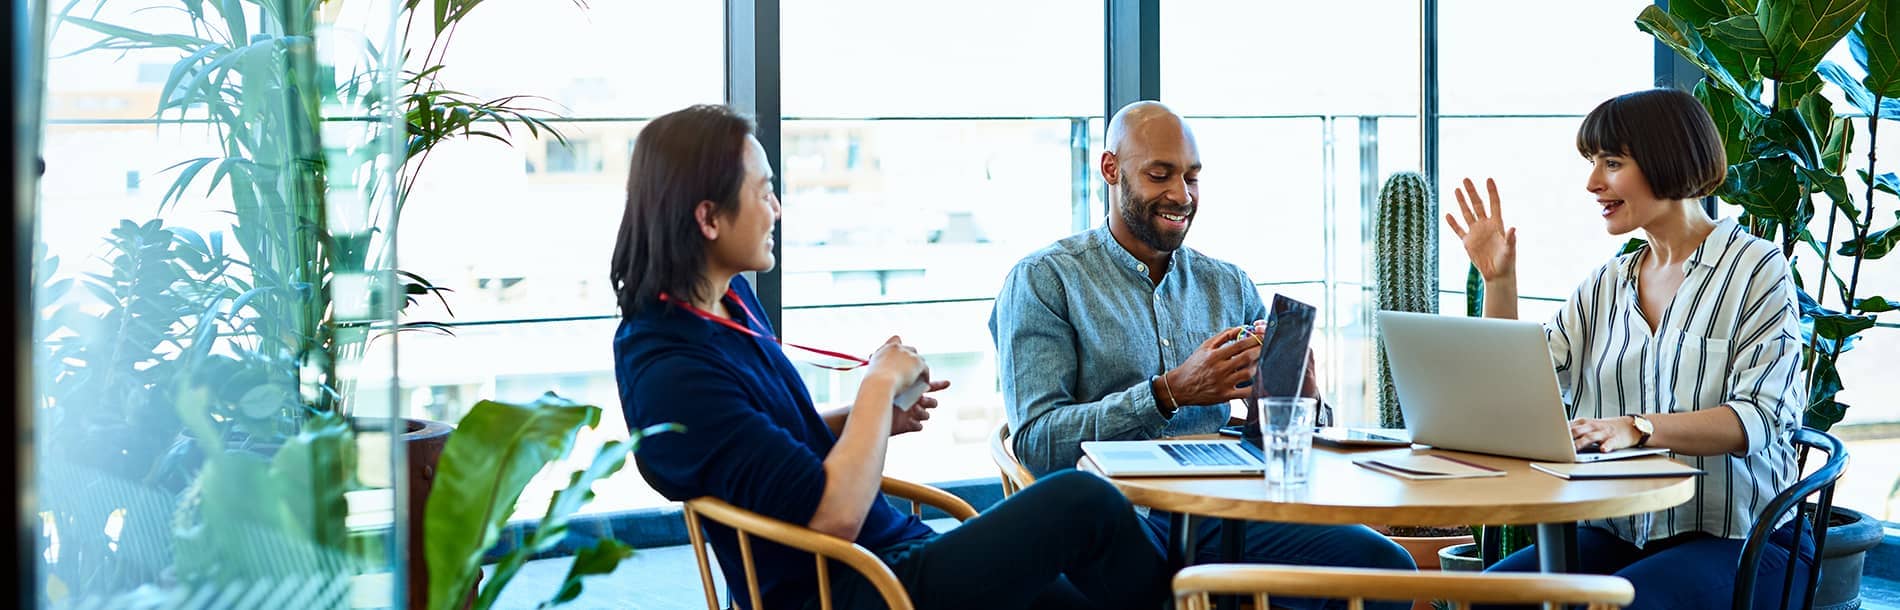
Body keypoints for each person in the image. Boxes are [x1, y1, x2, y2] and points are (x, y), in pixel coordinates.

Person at [613, 104, 1169, 610]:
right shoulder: (669, 367)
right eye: (763, 193)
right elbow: (833, 517)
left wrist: (872, 420)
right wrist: (877, 388)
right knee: (1080, 500)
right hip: (850, 588)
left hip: (888, 557)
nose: (777, 209)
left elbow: (773, 443)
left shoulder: (728, 305)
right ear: (709, 218)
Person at [989, 100, 1415, 610]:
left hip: (1229, 511)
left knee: (1387, 571)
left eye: (1192, 177)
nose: (1181, 195)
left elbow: (1283, 440)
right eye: (1159, 175)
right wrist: (1167, 393)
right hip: (1119, 522)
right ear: (1110, 169)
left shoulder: (1227, 284)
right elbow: (1037, 442)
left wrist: (1298, 399)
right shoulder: (1045, 279)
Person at [1447, 88, 1813, 610]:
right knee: (1488, 598)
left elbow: (1757, 417)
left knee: (1627, 605)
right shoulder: (1607, 282)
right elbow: (1517, 386)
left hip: (1740, 540)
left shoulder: (1756, 268)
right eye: (1593, 163)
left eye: (1612, 163)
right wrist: (1498, 281)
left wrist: (1636, 427)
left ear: (1668, 160)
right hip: (1619, 535)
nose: (1593, 182)